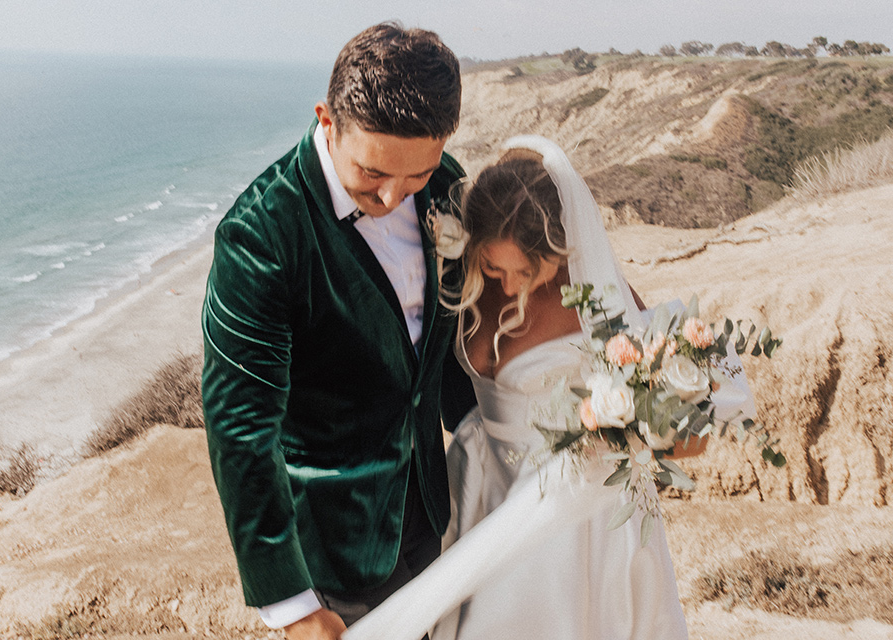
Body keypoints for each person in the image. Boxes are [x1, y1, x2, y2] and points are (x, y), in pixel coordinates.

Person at [342, 136, 695, 640]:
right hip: (481, 485)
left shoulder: (597, 295)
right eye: (492, 267)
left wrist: (631, 422)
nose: (506, 286)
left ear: (559, 248)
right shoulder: (454, 270)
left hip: (572, 503)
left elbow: (650, 387)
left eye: (526, 271)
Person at [201, 23, 474, 640]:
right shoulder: (260, 236)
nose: (392, 194)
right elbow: (240, 430)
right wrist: (291, 604)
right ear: (327, 119)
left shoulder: (445, 183)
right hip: (331, 548)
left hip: (432, 507)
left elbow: (446, 339)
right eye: (373, 171)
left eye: (414, 175)